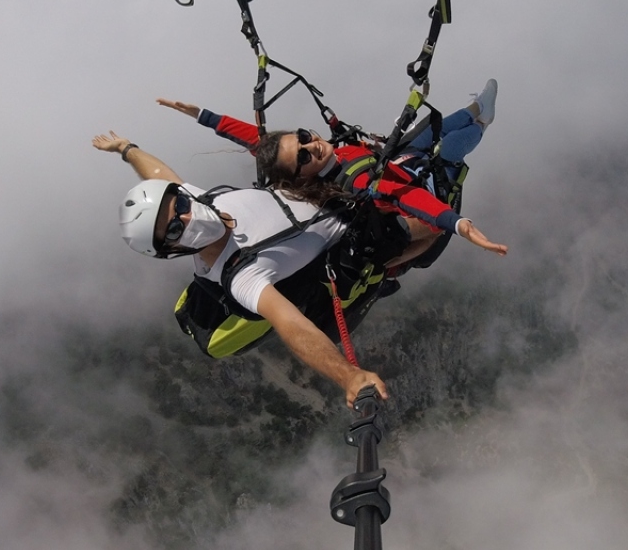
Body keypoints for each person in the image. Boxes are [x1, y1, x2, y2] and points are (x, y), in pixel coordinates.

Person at [91, 131, 387, 408]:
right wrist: (348, 376)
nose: (187, 217)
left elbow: (160, 176)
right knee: (412, 229)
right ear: (171, 252)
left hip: (327, 193)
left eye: (179, 203)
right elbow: (292, 326)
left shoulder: (204, 201)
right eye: (173, 231)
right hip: (360, 231)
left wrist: (126, 149)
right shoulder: (239, 277)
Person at [157, 79, 508, 267]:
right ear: (300, 178)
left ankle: (476, 108)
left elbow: (255, 138)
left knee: (429, 129)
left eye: (306, 138)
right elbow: (404, 195)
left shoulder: (327, 156)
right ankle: (481, 122)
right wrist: (459, 224)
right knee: (446, 151)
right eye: (305, 156)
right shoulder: (352, 180)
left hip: (401, 161)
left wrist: (202, 115)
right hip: (422, 185)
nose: (313, 146)